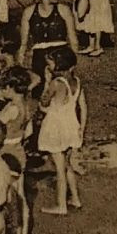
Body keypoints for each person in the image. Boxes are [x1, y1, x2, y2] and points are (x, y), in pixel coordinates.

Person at [36, 46, 86, 215]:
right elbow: (83, 108)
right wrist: (81, 129)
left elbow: (43, 103)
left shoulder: (56, 83)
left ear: (58, 64)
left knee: (59, 168)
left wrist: (45, 80)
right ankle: (75, 199)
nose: (48, 64)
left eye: (50, 62)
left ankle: (61, 205)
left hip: (55, 127)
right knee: (67, 165)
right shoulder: (76, 82)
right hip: (71, 125)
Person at [18, 0, 78, 80]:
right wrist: (21, 58)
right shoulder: (29, 12)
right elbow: (23, 42)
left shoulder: (64, 10)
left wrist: (73, 62)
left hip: (61, 57)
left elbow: (73, 38)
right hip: (39, 58)